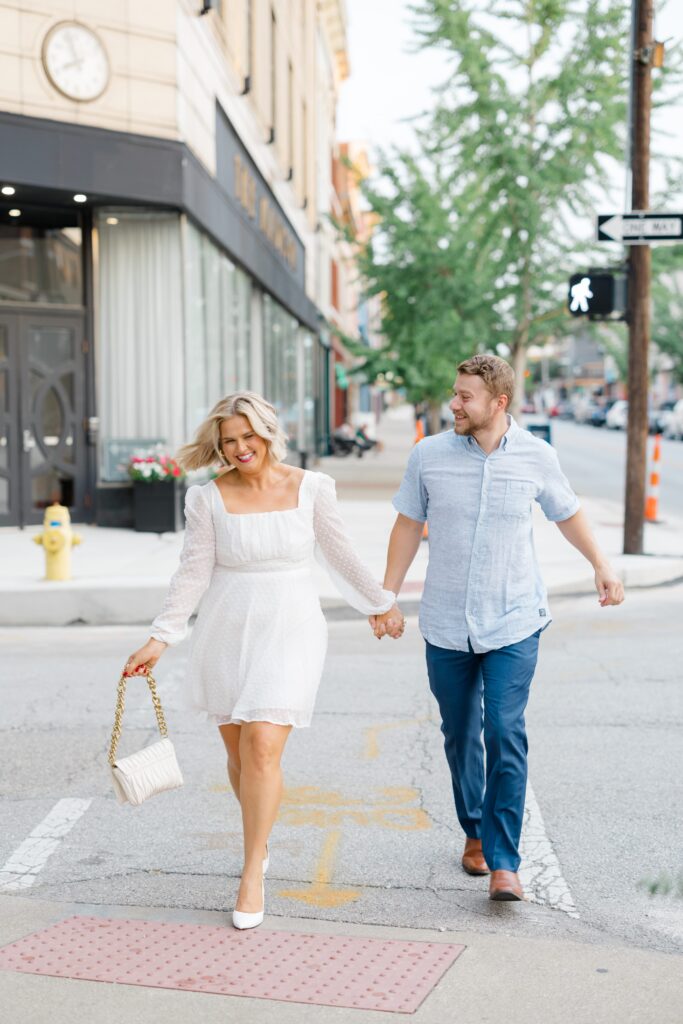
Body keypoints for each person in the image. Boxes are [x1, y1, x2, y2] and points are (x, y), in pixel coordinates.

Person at [123, 392, 403, 930]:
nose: (239, 448)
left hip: (292, 621)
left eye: (248, 436)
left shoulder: (311, 487)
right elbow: (193, 573)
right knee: (240, 755)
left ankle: (252, 869)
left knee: (263, 743)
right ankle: (261, 834)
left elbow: (339, 553)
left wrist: (380, 603)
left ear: (268, 432)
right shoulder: (207, 498)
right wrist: (161, 638)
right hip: (227, 625)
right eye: (228, 441)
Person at [370, 355, 624, 902]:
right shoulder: (429, 456)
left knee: (504, 731)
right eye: (454, 393)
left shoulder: (537, 455)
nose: (454, 404)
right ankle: (475, 831)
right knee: (460, 733)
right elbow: (408, 524)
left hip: (513, 618)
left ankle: (505, 861)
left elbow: (567, 512)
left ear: (499, 403)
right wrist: (385, 595)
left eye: (465, 397)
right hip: (445, 622)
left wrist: (600, 564)